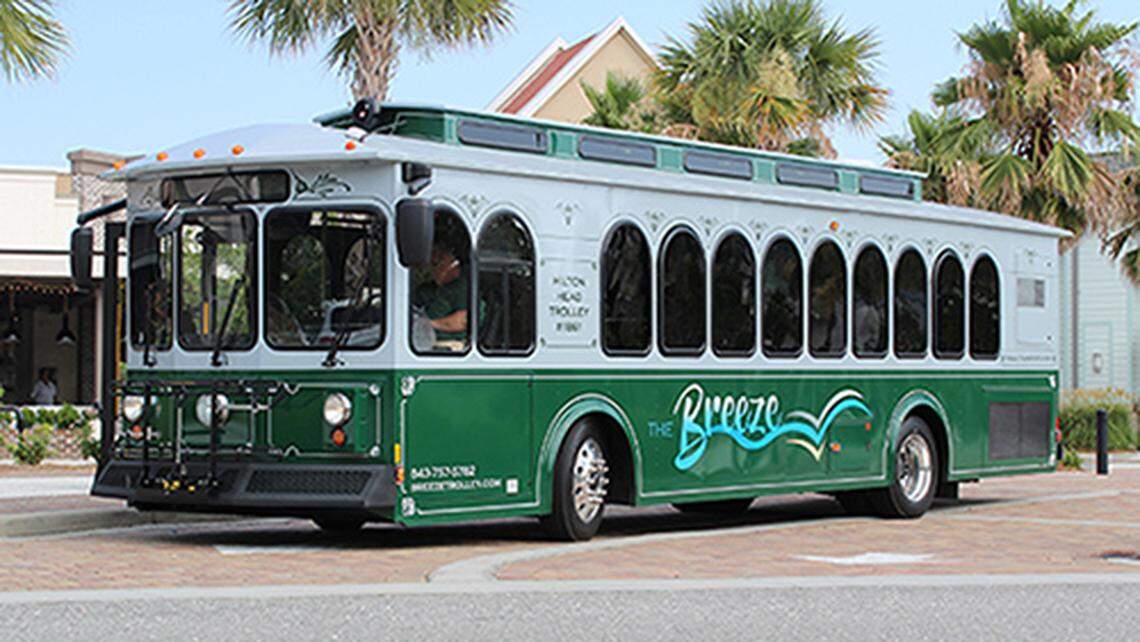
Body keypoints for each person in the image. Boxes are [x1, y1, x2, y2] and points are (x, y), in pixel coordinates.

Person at [416, 247, 469, 349]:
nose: (431, 268)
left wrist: (426, 324)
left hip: (448, 346)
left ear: (452, 264)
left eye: (436, 263)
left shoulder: (462, 288)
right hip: (418, 340)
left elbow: (464, 320)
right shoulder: (426, 289)